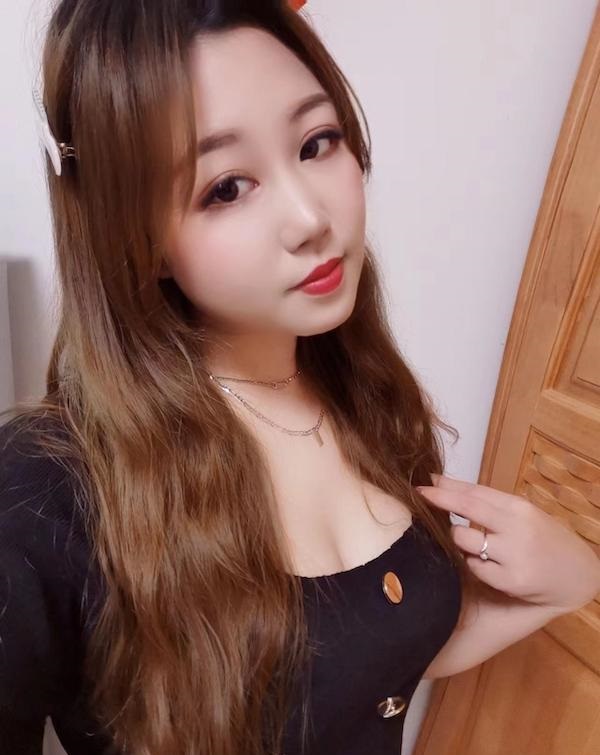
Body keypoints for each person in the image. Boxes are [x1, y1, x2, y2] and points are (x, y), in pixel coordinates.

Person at [1, 2, 599, 754]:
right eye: (226, 187)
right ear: (137, 237)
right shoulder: (44, 490)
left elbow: (363, 666)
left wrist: (568, 583)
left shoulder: (365, 397)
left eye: (317, 142)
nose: (311, 215)